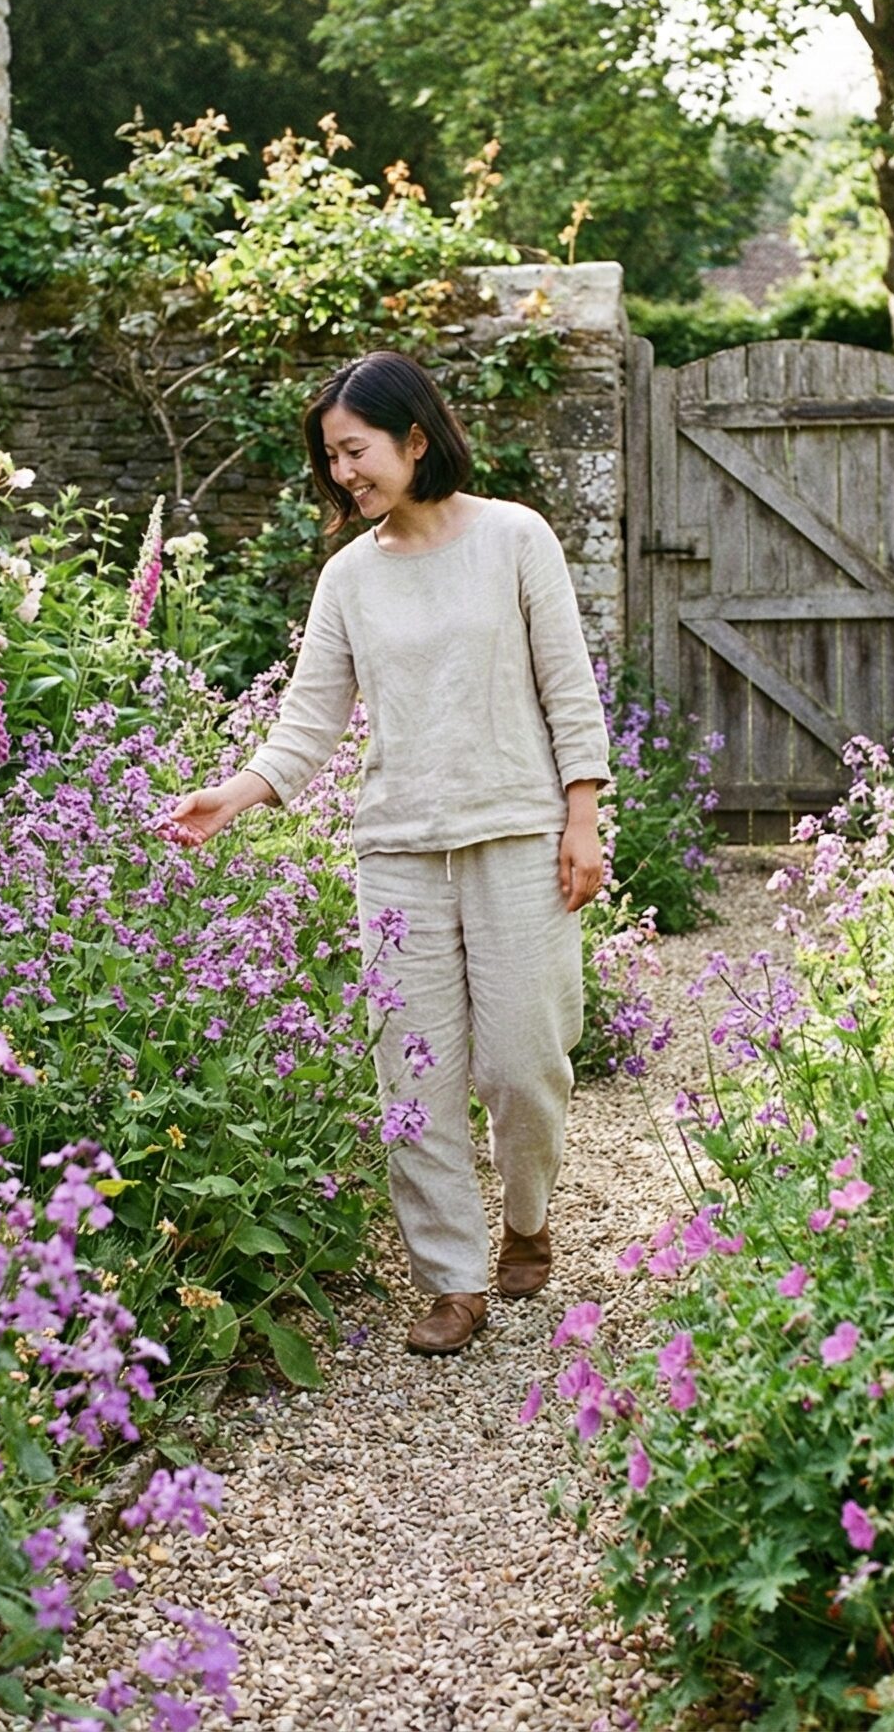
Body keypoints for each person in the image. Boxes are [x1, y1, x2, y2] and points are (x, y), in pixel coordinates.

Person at [165, 350, 610, 1356]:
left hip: (518, 838)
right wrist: (230, 795)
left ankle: (528, 1215)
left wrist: (581, 817)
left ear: (414, 438)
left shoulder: (512, 538)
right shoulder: (348, 578)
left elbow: (566, 687)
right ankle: (452, 1279)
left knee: (524, 1065)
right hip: (399, 855)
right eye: (329, 458)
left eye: (353, 450)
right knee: (411, 1082)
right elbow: (307, 721)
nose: (341, 474)